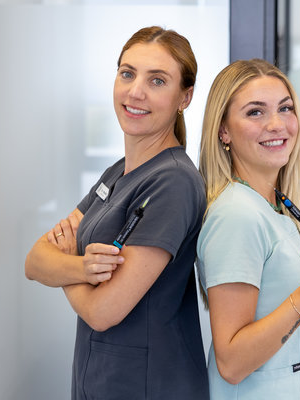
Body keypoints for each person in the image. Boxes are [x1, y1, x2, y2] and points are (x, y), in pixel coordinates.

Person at [25, 26, 209, 400]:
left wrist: (66, 263)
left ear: (184, 97)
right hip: (100, 378)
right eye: (127, 73)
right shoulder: (117, 172)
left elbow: (103, 312)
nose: (135, 91)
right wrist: (84, 268)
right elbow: (34, 261)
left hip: (149, 384)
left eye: (157, 80)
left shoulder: (173, 182)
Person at [197, 59, 300, 399]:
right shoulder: (236, 215)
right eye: (255, 112)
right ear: (224, 131)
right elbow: (232, 362)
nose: (277, 124)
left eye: (285, 108)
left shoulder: (274, 206)